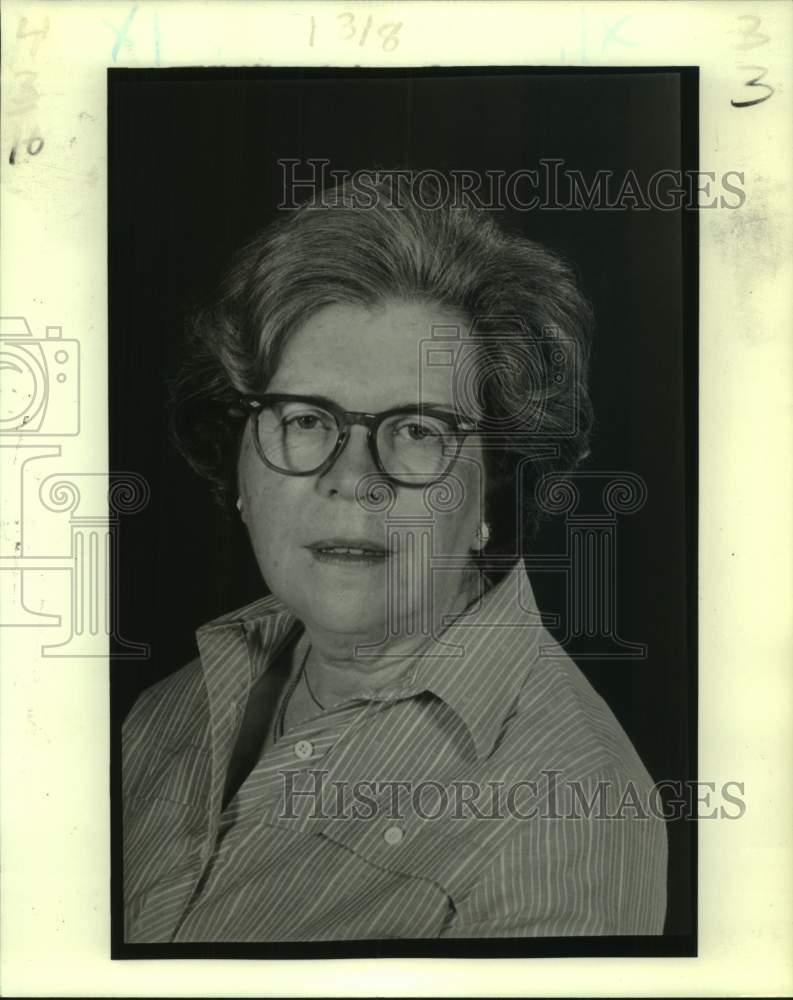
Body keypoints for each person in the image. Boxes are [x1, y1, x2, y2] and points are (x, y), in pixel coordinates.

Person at [122, 174, 667, 942]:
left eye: (417, 431)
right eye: (306, 418)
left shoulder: (564, 808)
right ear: (238, 464)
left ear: (495, 486)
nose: (353, 481)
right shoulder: (166, 709)